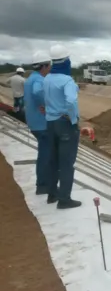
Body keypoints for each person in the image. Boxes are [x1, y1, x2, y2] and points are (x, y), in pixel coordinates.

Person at [44, 44, 81, 209]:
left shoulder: (47, 79)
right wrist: (73, 119)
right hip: (64, 124)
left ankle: (52, 194)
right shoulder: (67, 80)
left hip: (50, 123)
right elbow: (71, 101)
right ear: (66, 61)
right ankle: (64, 199)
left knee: (53, 160)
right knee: (66, 163)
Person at [24, 51, 52, 195]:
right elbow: (37, 93)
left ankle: (43, 183)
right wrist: (47, 104)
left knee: (44, 153)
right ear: (44, 66)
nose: (50, 69)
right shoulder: (39, 80)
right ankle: (42, 185)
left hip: (33, 122)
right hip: (41, 124)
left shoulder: (30, 78)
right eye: (49, 66)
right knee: (45, 155)